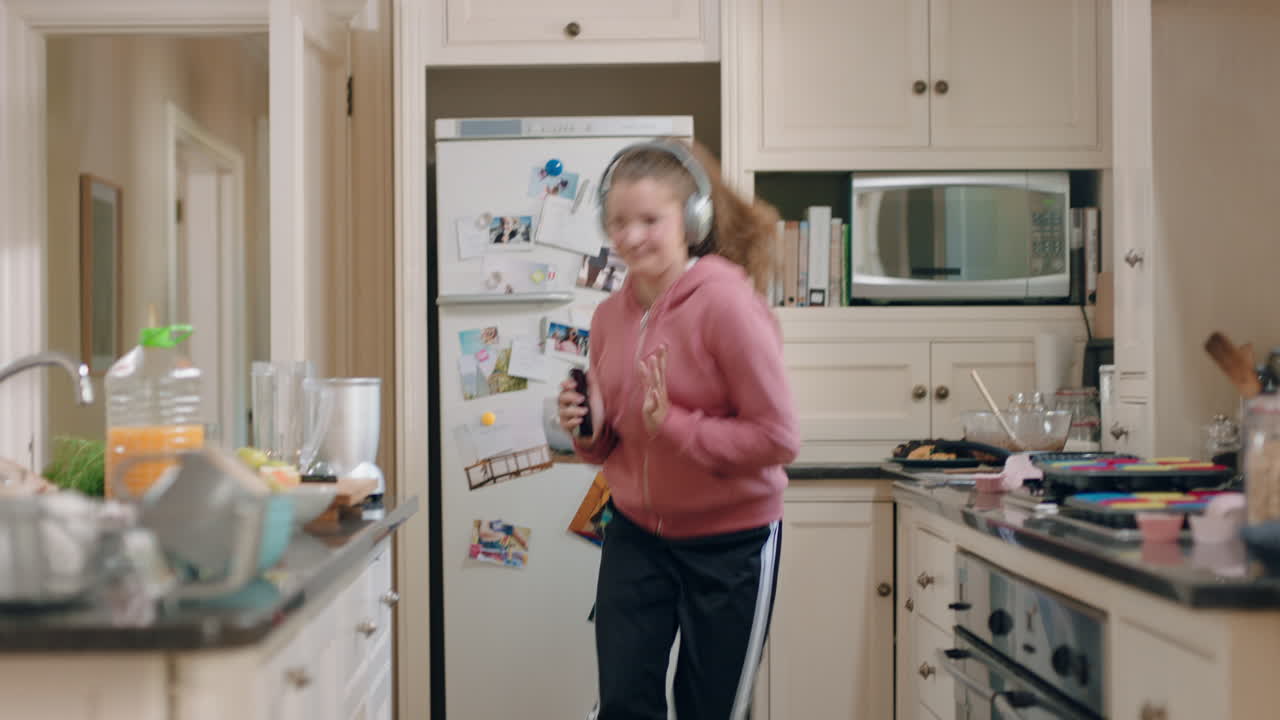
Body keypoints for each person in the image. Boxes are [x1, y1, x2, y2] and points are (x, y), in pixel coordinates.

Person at [557, 137, 799, 720]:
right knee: (622, 704)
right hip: (637, 533)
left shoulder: (727, 305)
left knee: (708, 709)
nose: (631, 235)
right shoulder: (608, 315)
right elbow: (613, 446)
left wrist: (678, 427)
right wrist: (587, 430)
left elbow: (777, 439)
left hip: (731, 543)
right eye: (618, 221)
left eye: (649, 220)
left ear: (691, 221)